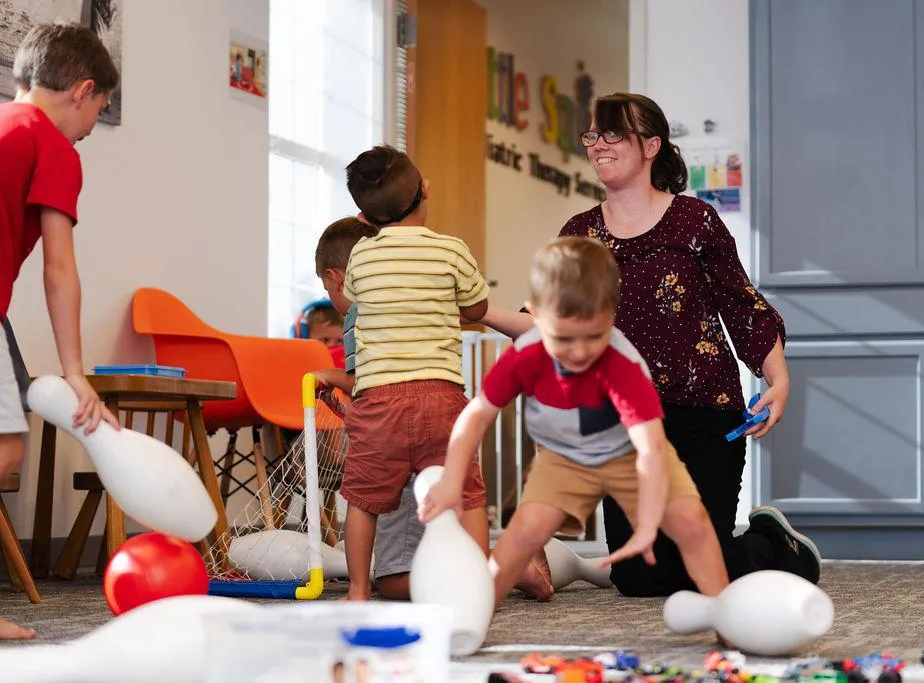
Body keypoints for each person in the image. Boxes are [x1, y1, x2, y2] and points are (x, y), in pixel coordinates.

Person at [478, 92, 820, 597]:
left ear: (652, 146)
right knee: (638, 578)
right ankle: (754, 544)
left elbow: (741, 304)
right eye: (593, 134)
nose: (598, 145)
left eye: (614, 133)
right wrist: (479, 311)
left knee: (701, 571)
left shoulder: (695, 221)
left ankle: (770, 541)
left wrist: (779, 379)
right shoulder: (579, 234)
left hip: (706, 413)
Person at [420, 236, 730, 611]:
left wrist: (649, 521)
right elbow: (476, 415)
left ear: (612, 316)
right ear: (534, 316)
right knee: (521, 536)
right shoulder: (525, 354)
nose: (580, 352)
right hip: (564, 461)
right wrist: (452, 478)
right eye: (563, 338)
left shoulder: (624, 366)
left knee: (692, 521)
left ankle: (724, 610)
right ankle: (472, 618)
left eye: (594, 336)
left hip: (630, 454)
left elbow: (649, 447)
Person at [327, 145, 552, 602]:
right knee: (466, 493)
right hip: (441, 396)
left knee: (364, 500)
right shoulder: (451, 250)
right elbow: (474, 307)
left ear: (363, 215)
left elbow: (353, 304)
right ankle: (475, 585)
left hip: (379, 400)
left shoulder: (361, 261)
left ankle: (355, 591)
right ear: (424, 189)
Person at [0, 21, 122, 639]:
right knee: (5, 449)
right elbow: (58, 268)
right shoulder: (52, 145)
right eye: (98, 112)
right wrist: (76, 373)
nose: (90, 128)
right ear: (82, 90)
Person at [314, 215, 425, 601]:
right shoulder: (404, 304)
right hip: (434, 423)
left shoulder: (356, 316)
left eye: (327, 288)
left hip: (398, 443)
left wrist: (330, 376)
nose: (332, 297)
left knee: (394, 581)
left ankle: (507, 566)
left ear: (337, 277)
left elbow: (367, 382)